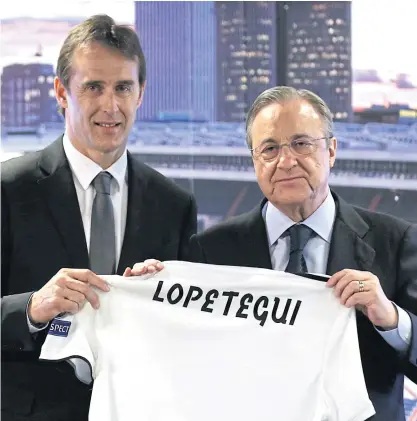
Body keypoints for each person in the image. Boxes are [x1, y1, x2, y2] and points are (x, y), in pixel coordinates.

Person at [130, 86, 417, 421]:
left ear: (332, 150)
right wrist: (151, 299)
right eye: (269, 149)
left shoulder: (395, 241)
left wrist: (393, 321)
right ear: (254, 161)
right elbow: (181, 363)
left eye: (301, 143)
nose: (286, 161)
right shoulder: (209, 251)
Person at [1, 14, 196, 421]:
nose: (111, 105)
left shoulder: (173, 205)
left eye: (123, 87)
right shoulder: (9, 189)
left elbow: (186, 334)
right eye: (93, 87)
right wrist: (33, 307)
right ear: (61, 92)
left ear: (140, 93)